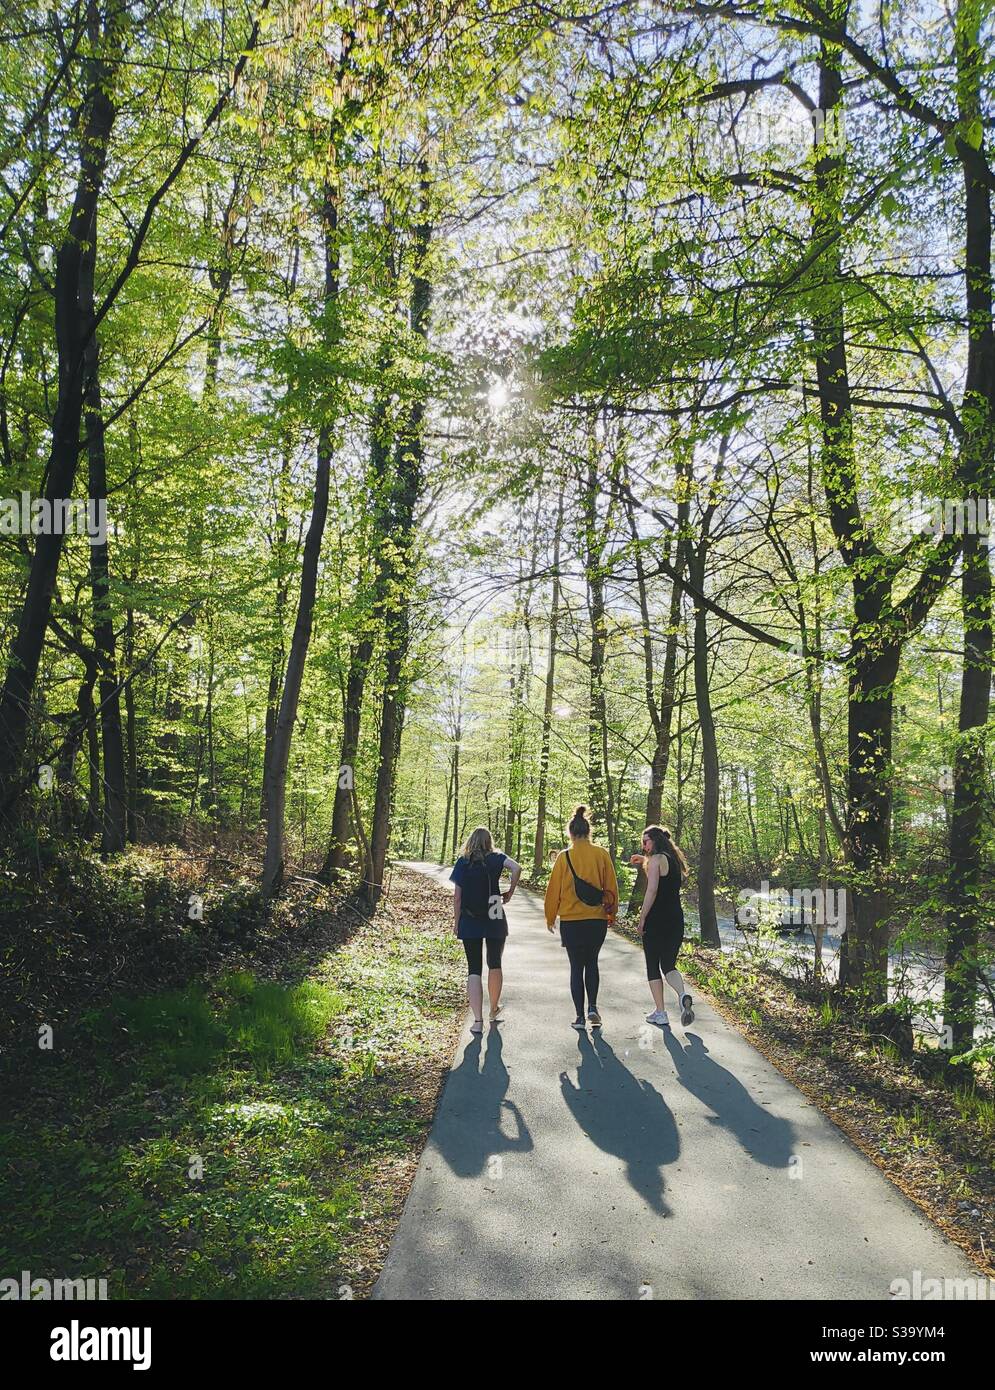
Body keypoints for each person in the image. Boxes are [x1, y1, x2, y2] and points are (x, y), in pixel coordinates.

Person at [544, 805, 618, 1030]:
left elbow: (553, 890)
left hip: (571, 921)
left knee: (576, 967)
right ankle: (593, 1007)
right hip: (596, 920)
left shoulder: (564, 857)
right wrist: (611, 912)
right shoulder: (601, 854)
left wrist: (550, 917)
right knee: (592, 962)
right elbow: (611, 887)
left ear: (570, 833)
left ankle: (579, 1017)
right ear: (589, 831)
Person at [450, 827, 521, 1034]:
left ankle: (478, 1021)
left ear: (470, 841)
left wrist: (457, 922)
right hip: (495, 910)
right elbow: (516, 868)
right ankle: (493, 1010)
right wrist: (509, 893)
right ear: (489, 841)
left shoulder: (463, 861)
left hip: (470, 916)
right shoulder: (497, 857)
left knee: (474, 968)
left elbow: (457, 897)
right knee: (495, 962)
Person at [632, 825, 694, 1028]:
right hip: (675, 919)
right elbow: (663, 877)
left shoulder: (656, 860)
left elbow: (652, 891)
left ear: (655, 841)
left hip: (656, 920)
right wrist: (644, 861)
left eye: (646, 841)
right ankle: (683, 995)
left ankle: (661, 1013)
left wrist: (642, 920)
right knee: (668, 965)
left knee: (652, 965)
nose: (643, 846)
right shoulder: (674, 860)